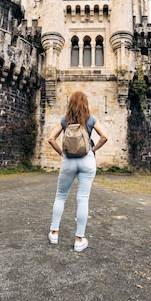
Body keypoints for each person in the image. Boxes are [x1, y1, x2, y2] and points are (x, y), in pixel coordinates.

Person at [48, 91, 108, 252]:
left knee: (60, 196)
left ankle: (54, 233)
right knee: (83, 199)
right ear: (85, 103)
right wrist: (93, 150)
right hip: (86, 160)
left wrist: (61, 153)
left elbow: (51, 138)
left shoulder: (64, 120)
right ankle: (79, 239)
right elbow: (104, 137)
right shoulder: (91, 119)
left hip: (68, 160)